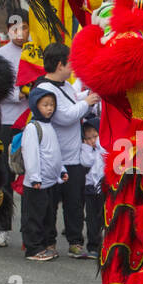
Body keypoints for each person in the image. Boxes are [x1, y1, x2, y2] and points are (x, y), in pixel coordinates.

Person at [31, 43, 98, 258]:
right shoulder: (45, 89)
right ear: (60, 65)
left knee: (75, 203)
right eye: (71, 63)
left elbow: (73, 103)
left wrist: (85, 98)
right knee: (51, 203)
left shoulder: (65, 86)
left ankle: (75, 242)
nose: (73, 68)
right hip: (54, 158)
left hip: (74, 155)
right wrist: (87, 103)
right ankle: (49, 242)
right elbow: (65, 115)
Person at [0, 13, 31, 248]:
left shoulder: (36, 53)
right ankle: (1, 229)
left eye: (24, 28)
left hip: (32, 123)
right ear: (8, 30)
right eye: (15, 29)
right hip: (7, 123)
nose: (20, 33)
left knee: (30, 175)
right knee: (5, 175)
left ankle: (31, 233)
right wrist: (21, 93)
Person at [20, 89, 65, 261]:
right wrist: (34, 177)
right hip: (36, 183)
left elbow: (55, 153)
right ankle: (33, 248)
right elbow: (31, 155)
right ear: (35, 105)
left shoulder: (49, 126)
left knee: (47, 216)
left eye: (52, 105)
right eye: (45, 105)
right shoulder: (33, 127)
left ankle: (45, 244)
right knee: (34, 217)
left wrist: (62, 171)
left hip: (50, 182)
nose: (50, 108)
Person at [78, 121, 106, 261]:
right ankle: (93, 247)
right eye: (88, 138)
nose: (92, 140)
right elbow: (86, 162)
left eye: (95, 136)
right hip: (90, 188)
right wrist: (87, 148)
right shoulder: (86, 149)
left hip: (103, 187)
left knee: (105, 218)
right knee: (91, 219)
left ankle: (106, 246)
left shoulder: (104, 148)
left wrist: (99, 146)